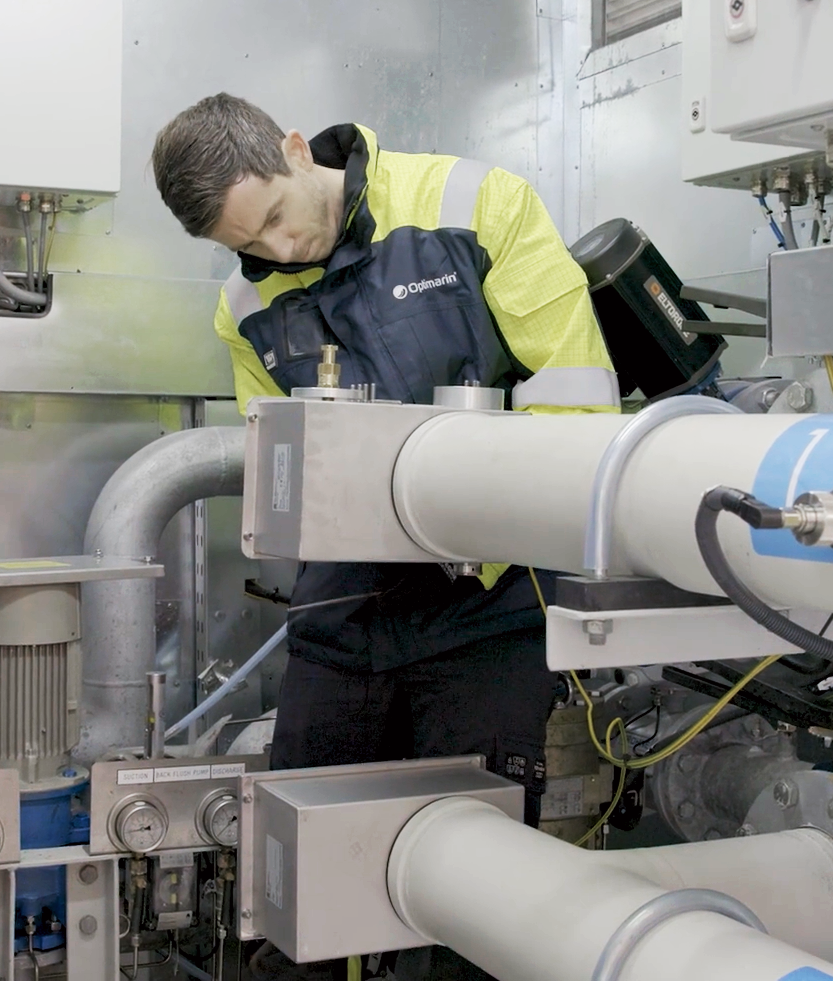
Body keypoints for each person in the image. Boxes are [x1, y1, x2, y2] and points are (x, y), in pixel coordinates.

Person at [151, 93, 618, 980]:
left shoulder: (477, 206)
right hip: (347, 610)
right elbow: (290, 471)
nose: (284, 253)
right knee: (296, 888)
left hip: (488, 607)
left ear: (295, 147)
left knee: (477, 904)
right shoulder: (246, 304)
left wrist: (466, 499)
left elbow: (574, 409)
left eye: (282, 220)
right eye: (252, 244)